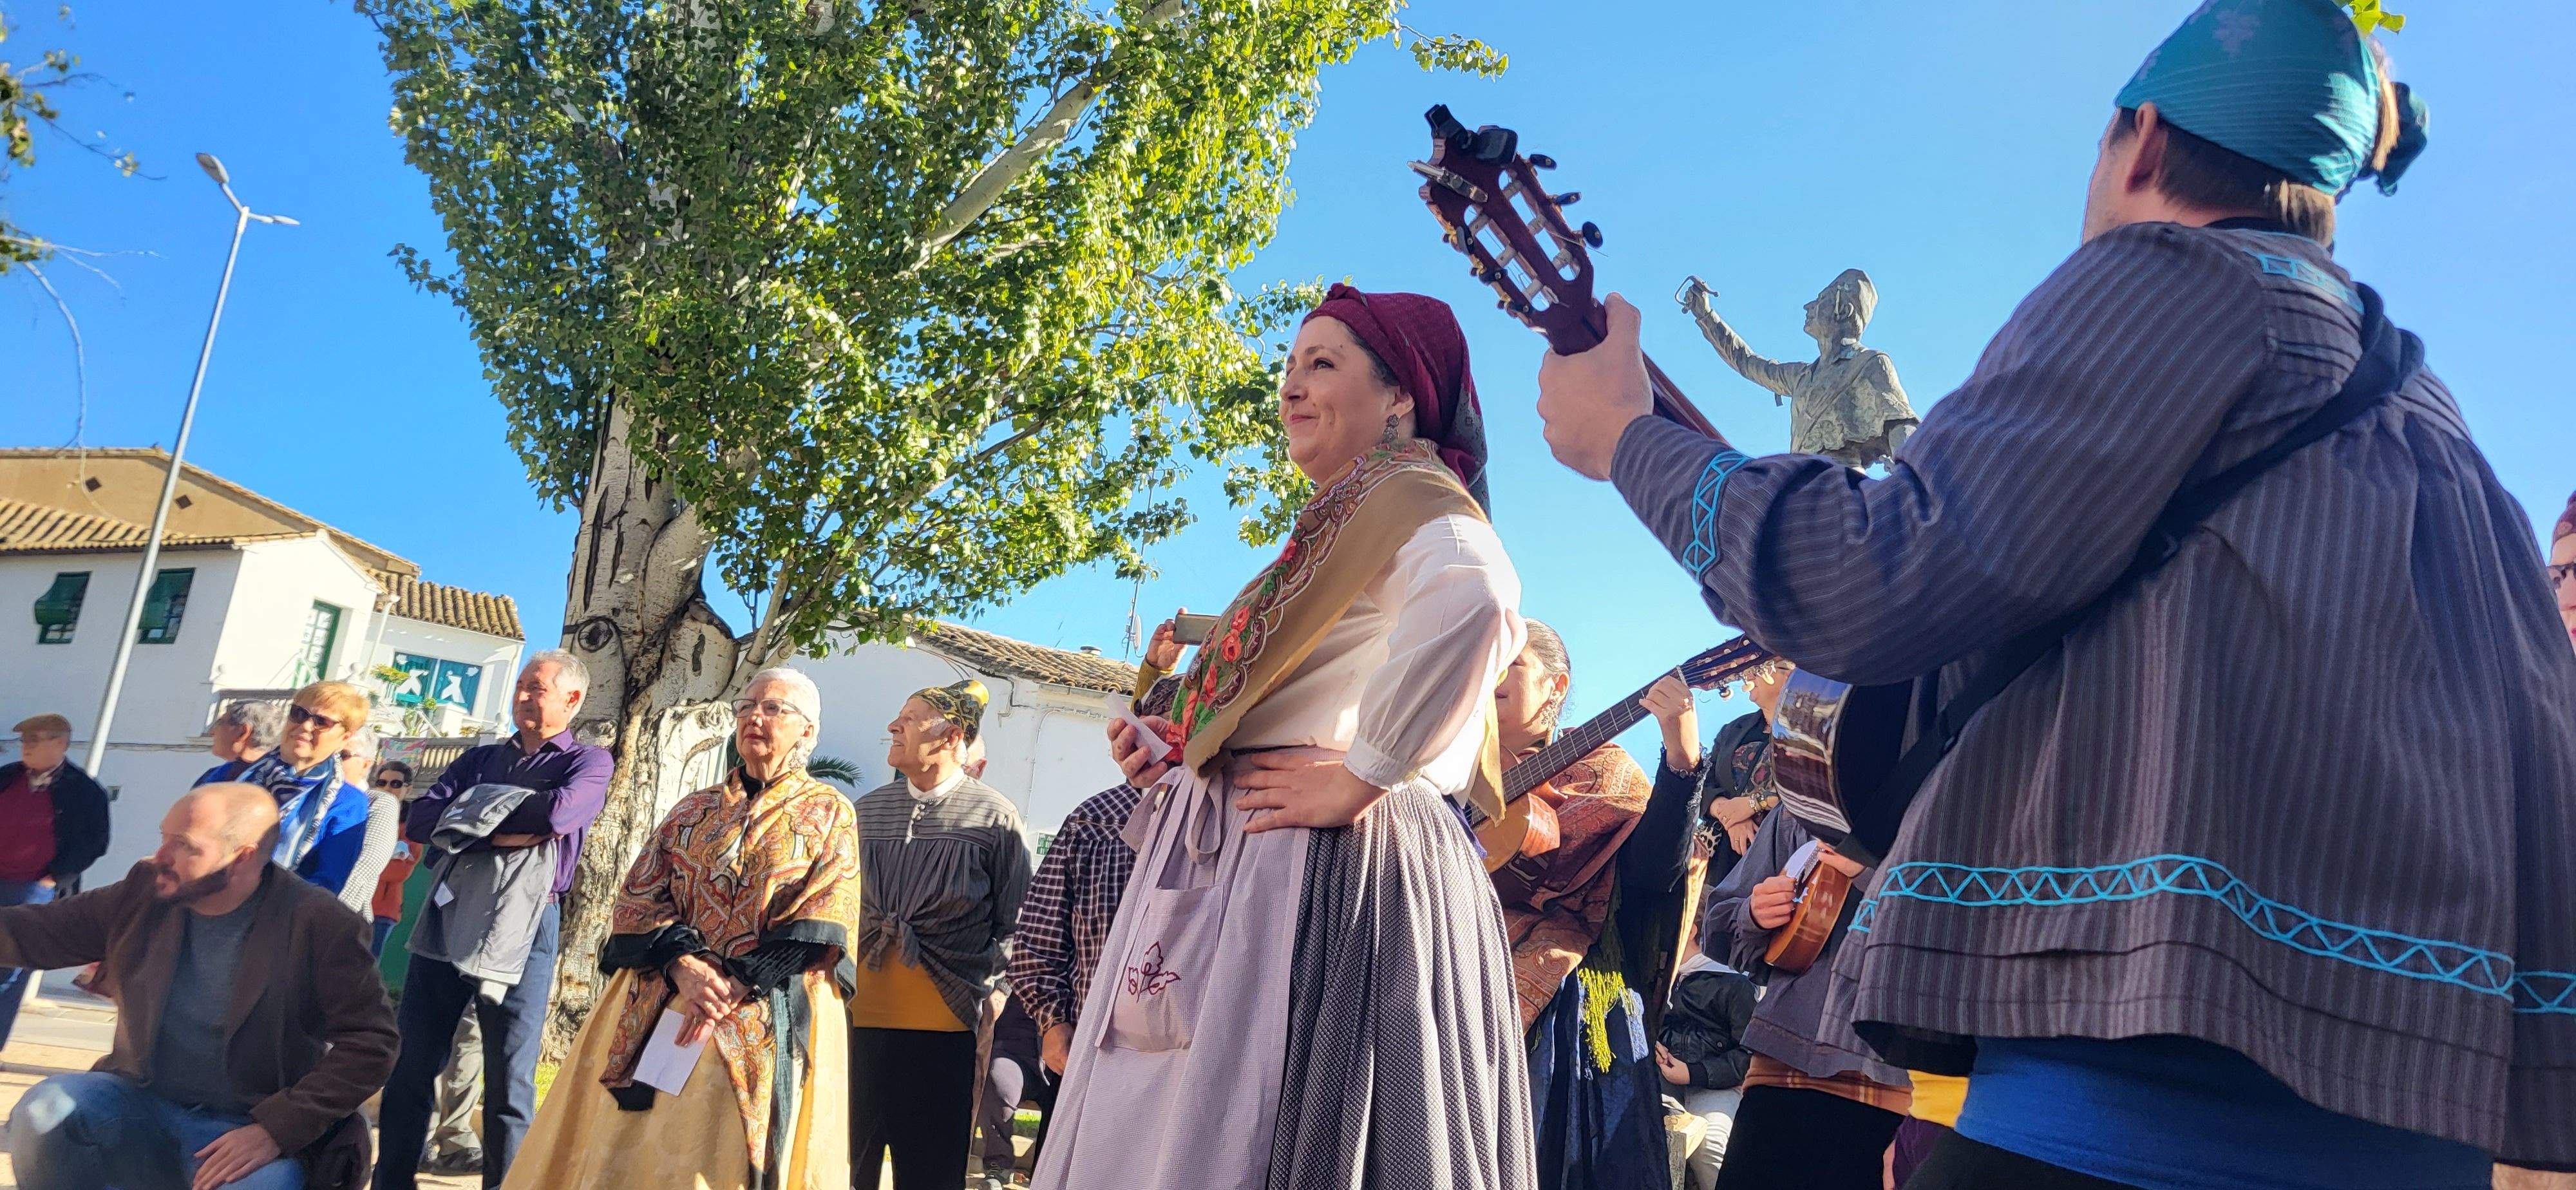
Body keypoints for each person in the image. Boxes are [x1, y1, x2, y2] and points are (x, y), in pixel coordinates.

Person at [1535, 0, 2575, 1181]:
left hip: (2119, 1121)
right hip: (2408, 1127)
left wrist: (1628, 436)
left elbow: (1878, 572)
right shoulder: (2422, 409)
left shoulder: (2178, 272)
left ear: (2137, 140)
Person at [1039, 284, 1534, 1190]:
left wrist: (1363, 775)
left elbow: (1480, 600)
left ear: (1400, 399)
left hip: (1315, 869)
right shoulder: (1344, 523)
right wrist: (1176, 752)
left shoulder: (1408, 494)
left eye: (1323, 364)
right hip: (1252, 851)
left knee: (1249, 1133)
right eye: (1290, 367)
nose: (1293, 388)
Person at [503, 667, 858, 1189]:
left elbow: (825, 914)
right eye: (746, 707)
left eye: (773, 708)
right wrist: (683, 966)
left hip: (767, 1002)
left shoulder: (831, 812)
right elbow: (639, 896)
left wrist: (736, 984)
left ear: (808, 732)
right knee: (620, 1144)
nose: (754, 717)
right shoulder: (693, 809)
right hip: (666, 991)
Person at [0, 782, 397, 1189]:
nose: (161, 856)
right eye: (164, 838)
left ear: (241, 859)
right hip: (141, 1105)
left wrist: (276, 1130)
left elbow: (371, 1042)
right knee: (45, 1111)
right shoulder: (147, 888)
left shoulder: (318, 921)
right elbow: (38, 932)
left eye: (184, 846)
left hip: (247, 1127)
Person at [374, 651, 612, 1190]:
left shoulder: (590, 764)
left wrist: (472, 816)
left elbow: (558, 815)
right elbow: (427, 819)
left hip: (528, 929)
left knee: (511, 1080)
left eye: (538, 687)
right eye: (522, 685)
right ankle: (391, 1181)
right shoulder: (477, 760)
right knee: (412, 1066)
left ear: (572, 700)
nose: (524, 695)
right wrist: (504, 828)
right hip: (449, 914)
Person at [1489, 621, 1706, 1190]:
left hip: (1573, 1003)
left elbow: (1649, 878)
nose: (1491, 676)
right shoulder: (1441, 770)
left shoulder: (1605, 772)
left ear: (1555, 685)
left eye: (1510, 664)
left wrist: (1682, 763)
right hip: (1455, 975)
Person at [849, 679, 1032, 1190]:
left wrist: (997, 995)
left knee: (929, 1175)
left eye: (910, 718)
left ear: (952, 736)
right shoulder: (865, 813)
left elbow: (1017, 920)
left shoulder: (995, 818)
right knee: (845, 1169)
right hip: (856, 1026)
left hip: (946, 1031)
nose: (894, 726)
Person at [1004, 619, 1185, 1124]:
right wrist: (1052, 1020)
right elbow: (1039, 936)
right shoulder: (1095, 819)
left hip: (1192, 1063)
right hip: (1096, 1048)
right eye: (1159, 731)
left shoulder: (1241, 820)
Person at [1703, 814, 1908, 1190]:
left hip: (1892, 1089)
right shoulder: (1799, 808)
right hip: (1778, 1069)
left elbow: (1969, 925)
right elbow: (1719, 928)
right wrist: (1754, 914)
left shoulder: (1939, 794)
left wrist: (1872, 876)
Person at [0, 714, 110, 1050]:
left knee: (10, 972)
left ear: (60, 743)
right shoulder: (6, 778)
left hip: (34, 889)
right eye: (24, 740)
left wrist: (53, 879)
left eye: (36, 739)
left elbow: (94, 843)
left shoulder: (84, 791)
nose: (27, 747)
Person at [211, 682, 376, 897]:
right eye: (299, 714)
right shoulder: (231, 775)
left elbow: (328, 882)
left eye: (321, 722)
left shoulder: (347, 802)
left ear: (345, 737)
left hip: (272, 917)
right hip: (202, 899)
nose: (306, 726)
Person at [1657, 952, 1756, 1190]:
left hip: (1716, 1087)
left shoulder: (1736, 984)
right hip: (1663, 1082)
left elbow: (1749, 1057)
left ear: (1691, 931)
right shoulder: (1661, 974)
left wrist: (1693, 1073)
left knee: (1710, 1146)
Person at [335, 726, 402, 916]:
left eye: (342, 755)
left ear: (366, 765)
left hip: (336, 918)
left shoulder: (378, 803)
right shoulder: (313, 794)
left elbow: (362, 869)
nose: (333, 762)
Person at [366, 760, 421, 956]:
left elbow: (398, 871)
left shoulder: (412, 827)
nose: (388, 788)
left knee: (365, 969)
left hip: (382, 910)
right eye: (382, 783)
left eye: (396, 784)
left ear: (409, 789)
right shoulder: (363, 812)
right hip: (349, 902)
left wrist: (362, 860)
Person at [200, 699, 287, 785]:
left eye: (220, 723)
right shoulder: (281, 783)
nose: (212, 732)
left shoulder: (217, 779)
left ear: (243, 733)